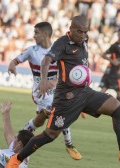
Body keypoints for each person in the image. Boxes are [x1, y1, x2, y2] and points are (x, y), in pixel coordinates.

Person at [4, 15, 120, 168]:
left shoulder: (85, 40)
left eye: (85, 32)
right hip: (66, 99)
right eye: (79, 31)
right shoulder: (62, 43)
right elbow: (46, 61)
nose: (83, 35)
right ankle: (17, 159)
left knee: (117, 108)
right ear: (70, 29)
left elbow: (82, 67)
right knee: (49, 135)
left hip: (86, 93)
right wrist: (44, 80)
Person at [8, 22, 81, 160]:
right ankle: (69, 144)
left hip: (55, 90)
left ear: (46, 34)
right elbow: (15, 60)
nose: (33, 36)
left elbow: (66, 71)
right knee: (60, 112)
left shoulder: (59, 50)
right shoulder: (31, 50)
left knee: (39, 121)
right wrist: (12, 65)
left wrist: (53, 82)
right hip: (39, 92)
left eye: (36, 33)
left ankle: (25, 131)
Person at [99, 28, 120, 122]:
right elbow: (103, 54)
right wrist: (112, 61)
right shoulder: (114, 46)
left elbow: (119, 57)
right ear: (117, 35)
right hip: (114, 73)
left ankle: (84, 109)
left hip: (110, 72)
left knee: (102, 92)